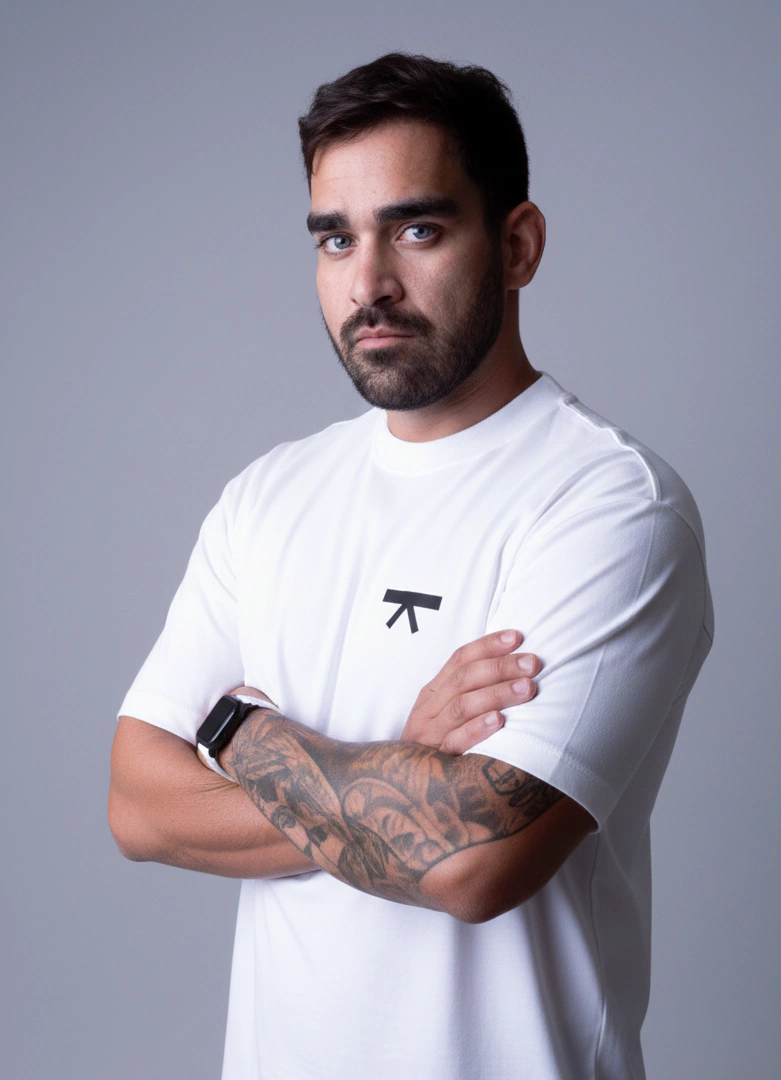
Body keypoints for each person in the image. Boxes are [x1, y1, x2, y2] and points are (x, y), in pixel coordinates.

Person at [109, 53, 713, 1080]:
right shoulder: (269, 496)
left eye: (417, 229)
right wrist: (405, 766)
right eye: (336, 239)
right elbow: (137, 806)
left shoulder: (610, 505)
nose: (369, 284)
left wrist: (242, 736)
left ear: (517, 245)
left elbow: (475, 862)